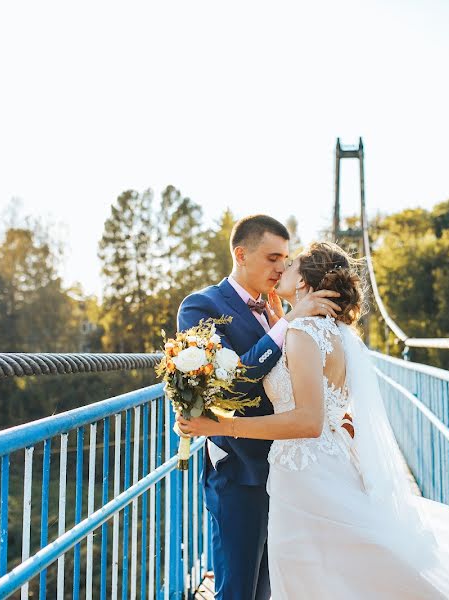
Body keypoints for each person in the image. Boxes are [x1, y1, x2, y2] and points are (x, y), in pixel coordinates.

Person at [178, 241, 449, 599]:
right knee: (343, 568)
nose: (283, 269)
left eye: (291, 262)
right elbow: (331, 408)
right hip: (324, 463)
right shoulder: (337, 332)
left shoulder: (300, 332)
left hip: (303, 474)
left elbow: (308, 420)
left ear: (308, 283)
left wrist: (220, 426)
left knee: (308, 575)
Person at [176, 215, 341, 600]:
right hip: (241, 472)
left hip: (294, 470)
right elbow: (232, 382)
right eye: (272, 257)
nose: (281, 267)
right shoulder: (201, 306)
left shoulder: (278, 310)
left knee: (273, 587)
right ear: (241, 254)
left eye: (285, 258)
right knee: (238, 589)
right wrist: (288, 323)